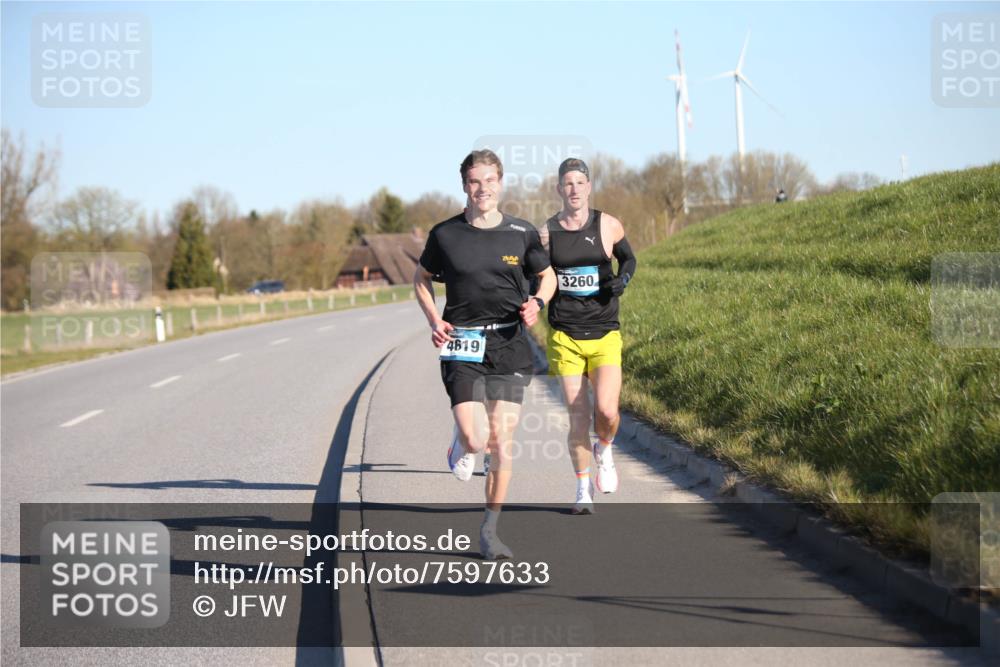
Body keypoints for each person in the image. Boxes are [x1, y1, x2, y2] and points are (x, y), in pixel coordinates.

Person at [414, 149, 556, 559]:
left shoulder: (521, 232)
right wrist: (432, 319)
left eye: (490, 180)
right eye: (475, 181)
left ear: (501, 182)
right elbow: (421, 278)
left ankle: (490, 531)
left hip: (509, 344)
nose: (483, 189)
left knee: (501, 441)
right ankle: (460, 442)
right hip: (462, 342)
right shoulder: (445, 235)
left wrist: (538, 304)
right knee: (476, 439)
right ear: (464, 185)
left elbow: (546, 277)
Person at [540, 158, 636, 514]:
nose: (574, 189)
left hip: (605, 333)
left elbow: (629, 260)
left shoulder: (607, 224)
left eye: (580, 182)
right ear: (559, 189)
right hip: (565, 335)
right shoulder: (548, 233)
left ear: (589, 186)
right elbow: (538, 276)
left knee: (607, 411)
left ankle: (605, 448)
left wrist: (623, 280)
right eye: (567, 183)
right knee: (578, 417)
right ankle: (582, 488)